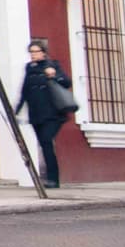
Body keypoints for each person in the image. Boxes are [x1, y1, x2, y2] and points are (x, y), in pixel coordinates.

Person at [14, 39, 73, 188]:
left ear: (43, 53)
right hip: (36, 114)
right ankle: (49, 178)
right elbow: (25, 89)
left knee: (46, 141)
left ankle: (53, 179)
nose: (33, 55)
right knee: (43, 144)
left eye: (36, 52)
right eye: (31, 52)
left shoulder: (52, 65)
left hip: (53, 114)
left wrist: (54, 76)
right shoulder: (29, 68)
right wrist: (17, 109)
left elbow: (66, 82)